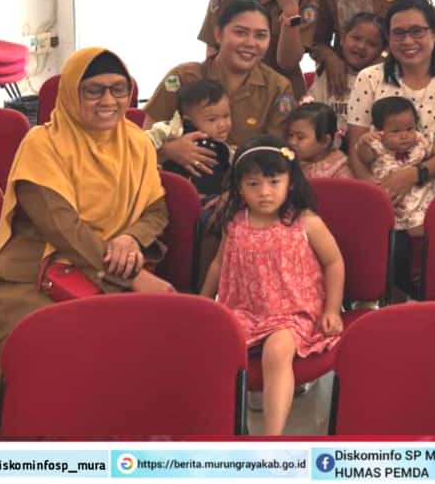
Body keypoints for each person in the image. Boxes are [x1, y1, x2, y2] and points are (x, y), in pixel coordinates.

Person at [0, 49, 175, 417]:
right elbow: (61, 226)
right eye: (94, 90)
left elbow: (156, 208)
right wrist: (133, 277)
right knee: (48, 351)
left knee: (153, 351)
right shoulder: (43, 144)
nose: (109, 101)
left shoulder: (135, 142)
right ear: (72, 93)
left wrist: (131, 238)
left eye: (119, 89)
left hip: (114, 266)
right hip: (35, 275)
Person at [200, 136, 345, 436]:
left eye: (274, 182)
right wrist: (203, 302)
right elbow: (218, 263)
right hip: (244, 309)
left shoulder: (305, 222)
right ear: (239, 187)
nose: (264, 192)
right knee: (211, 347)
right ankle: (222, 429)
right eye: (253, 184)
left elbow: (334, 262)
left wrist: (332, 309)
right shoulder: (234, 223)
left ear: (290, 183)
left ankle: (272, 437)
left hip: (294, 310)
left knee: (277, 352)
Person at [146, 0, 296, 178]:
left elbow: (278, 155)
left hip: (247, 186)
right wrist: (169, 150)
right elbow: (142, 141)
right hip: (178, 184)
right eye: (240, 32)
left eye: (261, 35)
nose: (250, 43)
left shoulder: (278, 88)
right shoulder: (183, 77)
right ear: (218, 34)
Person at [346, 0, 435, 192]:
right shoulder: (368, 78)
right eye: (398, 33)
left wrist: (413, 175)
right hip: (381, 188)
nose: (407, 41)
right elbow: (356, 147)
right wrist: (377, 191)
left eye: (416, 31)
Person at [357, 96, 435, 235]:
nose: (404, 135)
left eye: (409, 128)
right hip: (391, 200)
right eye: (396, 131)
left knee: (427, 229)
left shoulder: (419, 142)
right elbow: (364, 158)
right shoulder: (377, 145)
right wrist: (363, 142)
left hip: (421, 200)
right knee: (385, 233)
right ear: (379, 131)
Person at [147, 79, 234, 201]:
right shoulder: (175, 131)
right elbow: (144, 142)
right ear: (188, 120)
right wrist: (165, 149)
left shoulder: (224, 148)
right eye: (212, 120)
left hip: (213, 199)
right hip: (174, 197)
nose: (223, 124)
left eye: (226, 116)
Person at [305, 11, 385, 135]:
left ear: (381, 51)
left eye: (372, 44)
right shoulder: (327, 74)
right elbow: (311, 116)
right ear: (342, 39)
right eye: (356, 38)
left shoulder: (380, 80)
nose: (361, 46)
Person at [285, 102, 351, 180]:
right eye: (290, 135)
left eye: (300, 137)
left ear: (324, 141)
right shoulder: (289, 163)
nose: (292, 142)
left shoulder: (339, 169)